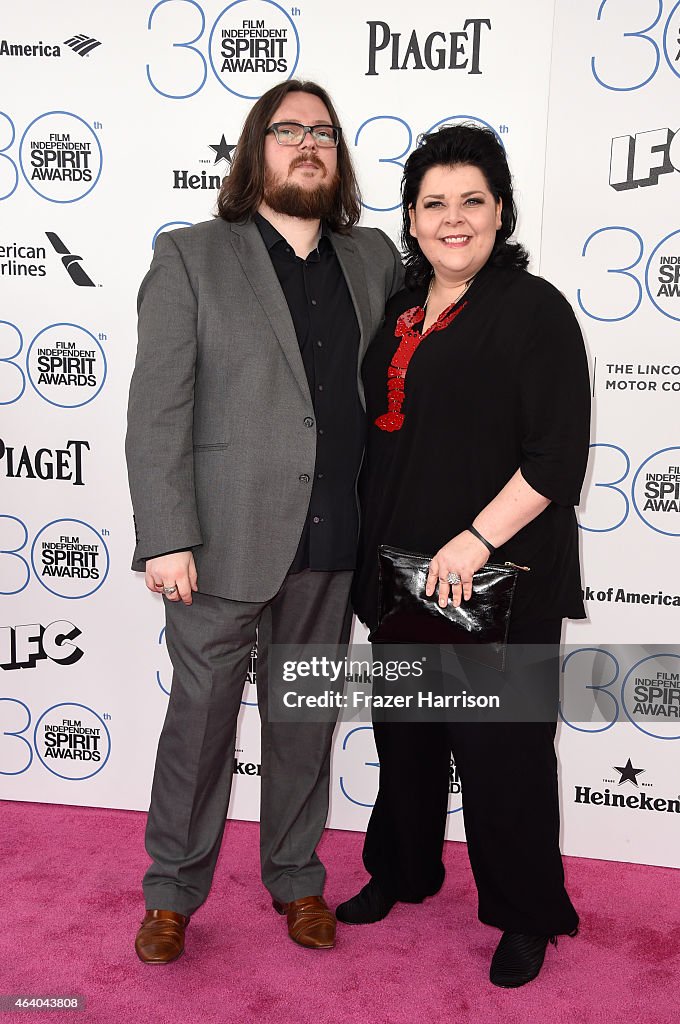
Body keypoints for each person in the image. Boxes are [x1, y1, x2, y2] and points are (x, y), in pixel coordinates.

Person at [126, 79, 403, 963]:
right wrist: (165, 533)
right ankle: (173, 891)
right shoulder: (192, 256)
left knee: (303, 721)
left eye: (323, 132)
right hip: (217, 544)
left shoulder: (373, 259)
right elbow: (157, 409)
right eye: (289, 131)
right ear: (258, 150)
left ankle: (296, 876)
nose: (308, 145)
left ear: (338, 154)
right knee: (199, 724)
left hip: (331, 538)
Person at [336, 124, 590, 988]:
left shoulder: (534, 310)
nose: (453, 219)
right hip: (404, 571)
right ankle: (402, 871)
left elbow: (558, 458)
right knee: (404, 735)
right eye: (434, 202)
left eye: (471, 201)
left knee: (502, 754)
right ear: (410, 217)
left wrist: (475, 538)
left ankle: (526, 912)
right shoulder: (400, 311)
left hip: (501, 576)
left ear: (501, 211)